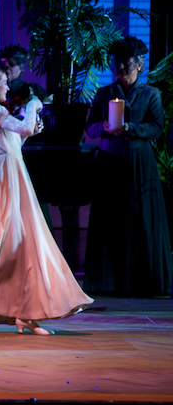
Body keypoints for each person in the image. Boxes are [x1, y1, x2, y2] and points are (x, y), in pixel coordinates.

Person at [0, 64, 92, 334]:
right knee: (1, 242)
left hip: (9, 172)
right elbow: (25, 128)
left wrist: (29, 128)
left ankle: (25, 313)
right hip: (1, 177)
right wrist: (33, 106)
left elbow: (15, 141)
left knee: (22, 241)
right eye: (3, 82)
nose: (7, 87)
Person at [84, 36, 170, 296]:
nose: (120, 66)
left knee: (140, 218)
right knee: (109, 219)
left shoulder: (151, 94)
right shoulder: (104, 93)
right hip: (109, 162)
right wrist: (104, 127)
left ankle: (144, 282)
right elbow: (90, 128)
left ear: (140, 65)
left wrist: (130, 128)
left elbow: (156, 128)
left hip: (139, 163)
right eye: (117, 61)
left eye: (127, 62)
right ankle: (108, 282)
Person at [0, 45, 49, 115]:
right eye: (3, 64)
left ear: (21, 68)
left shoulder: (34, 90)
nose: (7, 67)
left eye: (12, 64)